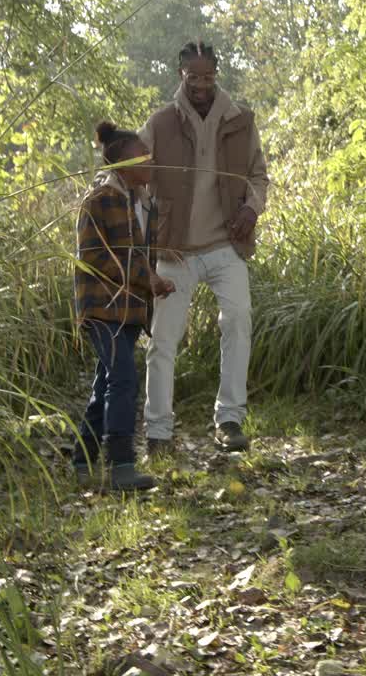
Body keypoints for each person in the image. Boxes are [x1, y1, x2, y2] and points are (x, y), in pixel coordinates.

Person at [138, 41, 270, 454]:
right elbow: (132, 177)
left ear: (217, 75)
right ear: (180, 75)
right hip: (175, 251)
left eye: (208, 76)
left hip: (225, 245)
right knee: (163, 341)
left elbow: (259, 178)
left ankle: (230, 419)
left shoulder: (240, 121)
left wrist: (252, 209)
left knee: (238, 318)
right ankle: (158, 431)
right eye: (192, 77)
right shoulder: (159, 124)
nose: (200, 84)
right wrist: (145, 235)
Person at [72, 121, 176, 491]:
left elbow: (137, 255)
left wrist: (152, 280)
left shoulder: (141, 202)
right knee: (124, 378)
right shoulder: (104, 198)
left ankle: (81, 459)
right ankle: (121, 464)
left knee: (106, 381)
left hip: (128, 309)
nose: (151, 162)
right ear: (121, 167)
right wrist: (148, 279)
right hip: (102, 308)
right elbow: (101, 257)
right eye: (143, 157)